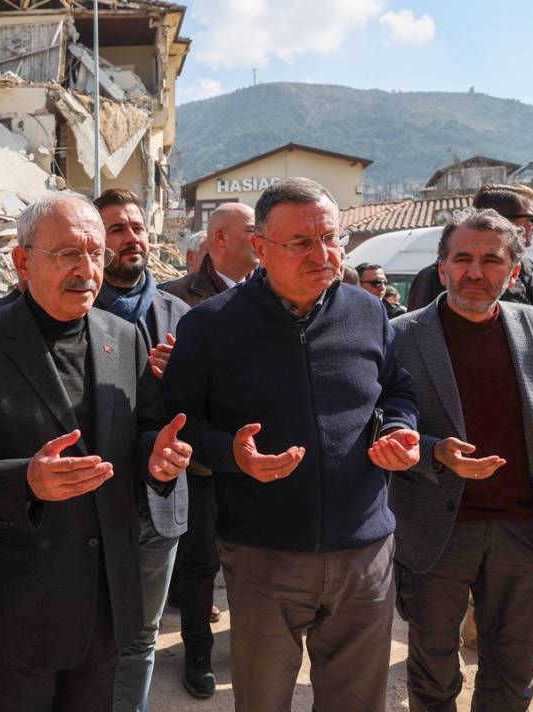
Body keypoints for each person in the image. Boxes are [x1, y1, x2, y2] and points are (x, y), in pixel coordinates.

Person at [163, 177, 420, 712]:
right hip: (263, 555)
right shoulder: (210, 326)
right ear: (259, 248)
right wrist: (231, 452)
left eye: (330, 238)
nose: (322, 254)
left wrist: (398, 429)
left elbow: (397, 392)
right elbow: (177, 424)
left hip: (365, 552)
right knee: (262, 701)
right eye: (301, 242)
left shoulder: (369, 312)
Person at [0, 191, 192, 712]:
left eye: (95, 253)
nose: (87, 269)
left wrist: (157, 462)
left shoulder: (123, 337)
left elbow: (143, 433)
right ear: (23, 262)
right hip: (18, 606)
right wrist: (26, 480)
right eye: (69, 253)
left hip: (104, 600)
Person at [390, 209, 533, 711]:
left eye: (491, 260)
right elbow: (382, 418)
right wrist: (434, 450)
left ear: (513, 271)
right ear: (442, 266)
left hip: (522, 526)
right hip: (437, 529)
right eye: (463, 259)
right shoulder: (402, 334)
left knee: (512, 671)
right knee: (432, 673)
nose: (476, 272)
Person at [91, 188, 189, 712]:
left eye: (137, 227)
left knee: (141, 638)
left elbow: (205, 412)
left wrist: (181, 383)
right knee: (88, 632)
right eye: (116, 229)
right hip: (90, 503)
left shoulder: (181, 314)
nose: (133, 238)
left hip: (159, 505)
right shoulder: (74, 309)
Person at [160, 201, 258, 699]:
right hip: (200, 459)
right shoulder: (174, 299)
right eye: (251, 231)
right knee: (200, 565)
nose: (260, 240)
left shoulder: (274, 295)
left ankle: (248, 649)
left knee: (258, 560)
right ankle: (196, 651)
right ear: (219, 239)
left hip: (258, 457)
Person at [408, 184, 533, 311]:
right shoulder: (434, 277)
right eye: (531, 218)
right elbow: (418, 331)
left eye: (492, 261)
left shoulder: (525, 268)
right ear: (501, 220)